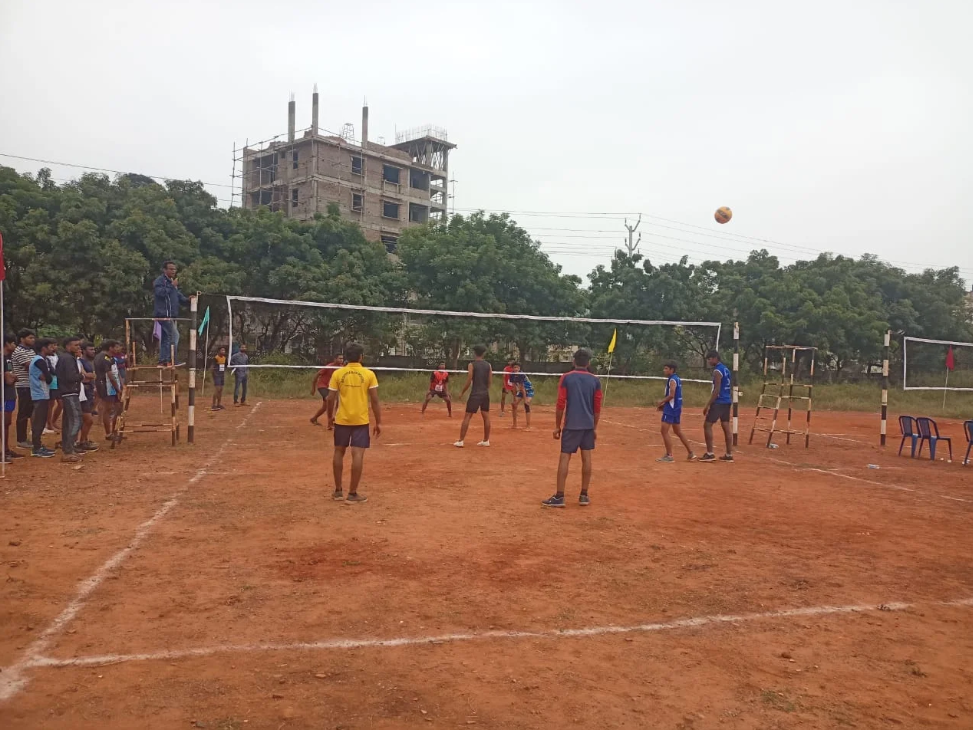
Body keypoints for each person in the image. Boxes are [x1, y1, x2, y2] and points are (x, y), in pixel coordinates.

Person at [543, 348, 602, 508]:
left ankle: (559, 496)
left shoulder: (566, 378)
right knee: (587, 457)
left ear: (573, 361)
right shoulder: (595, 380)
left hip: (572, 424)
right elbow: (597, 407)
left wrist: (557, 426)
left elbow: (560, 403)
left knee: (565, 457)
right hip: (588, 425)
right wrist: (594, 427)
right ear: (588, 363)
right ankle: (584, 495)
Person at [325, 342, 381, 504]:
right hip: (360, 421)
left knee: (338, 452)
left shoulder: (338, 374)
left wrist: (330, 417)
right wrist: (379, 422)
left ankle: (338, 491)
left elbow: (330, 398)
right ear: (361, 357)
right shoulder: (369, 374)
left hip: (342, 419)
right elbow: (375, 401)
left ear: (347, 357)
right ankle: (352, 493)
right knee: (358, 455)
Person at [656, 361, 695, 462]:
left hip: (671, 409)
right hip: (676, 408)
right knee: (678, 431)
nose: (664, 370)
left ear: (672, 370)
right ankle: (691, 453)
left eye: (666, 368)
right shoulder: (676, 378)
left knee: (664, 431)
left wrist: (662, 402)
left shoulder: (672, 380)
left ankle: (669, 455)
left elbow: (672, 395)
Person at [454, 345, 492, 448]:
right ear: (483, 353)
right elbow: (489, 381)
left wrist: (462, 392)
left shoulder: (472, 365)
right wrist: (485, 390)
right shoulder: (488, 365)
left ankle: (461, 440)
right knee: (486, 417)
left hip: (475, 393)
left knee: (467, 416)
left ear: (474, 353)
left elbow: (469, 379)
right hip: (485, 393)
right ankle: (486, 440)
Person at [55, 336, 85, 463]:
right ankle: (68, 450)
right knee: (77, 420)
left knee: (69, 421)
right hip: (69, 393)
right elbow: (70, 377)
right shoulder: (67, 359)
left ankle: (69, 448)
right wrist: (82, 376)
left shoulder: (66, 357)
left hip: (68, 392)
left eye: (79, 345)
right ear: (68, 346)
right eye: (75, 345)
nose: (78, 347)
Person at [153, 261, 189, 365]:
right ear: (165, 270)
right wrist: (172, 286)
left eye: (174, 269)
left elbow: (177, 296)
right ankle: (171, 360)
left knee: (166, 337)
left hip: (170, 315)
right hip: (163, 314)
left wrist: (188, 300)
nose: (173, 271)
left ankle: (163, 360)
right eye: (171, 269)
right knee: (174, 336)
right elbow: (160, 293)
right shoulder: (160, 281)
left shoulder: (172, 282)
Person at [701, 350, 734, 462]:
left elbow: (717, 390)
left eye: (710, 359)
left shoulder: (717, 371)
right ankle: (729, 455)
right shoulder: (726, 369)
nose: (709, 361)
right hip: (727, 401)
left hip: (719, 401)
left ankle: (710, 454)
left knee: (707, 425)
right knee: (726, 426)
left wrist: (708, 404)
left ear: (715, 358)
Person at [28, 338, 56, 458]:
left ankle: (38, 446)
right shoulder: (39, 361)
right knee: (38, 422)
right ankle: (36, 448)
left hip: (42, 393)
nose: (53, 348)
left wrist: (46, 376)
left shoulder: (42, 360)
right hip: (40, 393)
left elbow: (47, 377)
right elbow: (49, 378)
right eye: (50, 346)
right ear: (43, 348)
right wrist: (47, 376)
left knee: (40, 421)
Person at [95, 340, 123, 442]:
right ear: (110, 348)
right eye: (116, 347)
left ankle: (115, 431)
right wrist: (117, 388)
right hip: (106, 386)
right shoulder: (102, 358)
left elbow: (117, 373)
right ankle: (108, 434)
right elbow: (110, 375)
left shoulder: (112, 358)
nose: (119, 349)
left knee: (119, 407)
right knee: (108, 408)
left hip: (114, 386)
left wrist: (121, 385)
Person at [13, 329, 36, 450]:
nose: (33, 340)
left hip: (31, 385)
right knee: (23, 413)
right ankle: (21, 440)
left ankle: (28, 438)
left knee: (30, 411)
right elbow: (30, 366)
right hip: (23, 385)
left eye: (33, 338)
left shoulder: (31, 350)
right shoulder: (19, 351)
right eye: (30, 338)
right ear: (22, 339)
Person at [3, 334, 23, 461]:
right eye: (13, 343)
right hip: (3, 394)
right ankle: (3, 451)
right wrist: (12, 377)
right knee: (3, 422)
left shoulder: (8, 358)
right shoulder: (2, 358)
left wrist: (12, 377)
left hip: (10, 394)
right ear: (7, 343)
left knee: (7, 422)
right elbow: (9, 379)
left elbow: (12, 377)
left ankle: (6, 449)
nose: (15, 346)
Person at [311, 354, 344, 427]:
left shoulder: (342, 368)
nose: (341, 360)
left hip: (332, 388)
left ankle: (314, 418)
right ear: (335, 359)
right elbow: (317, 375)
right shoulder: (329, 366)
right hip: (322, 386)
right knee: (329, 400)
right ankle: (330, 421)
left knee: (326, 406)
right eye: (339, 358)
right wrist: (313, 388)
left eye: (342, 358)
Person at [78, 341, 99, 451]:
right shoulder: (80, 361)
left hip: (89, 391)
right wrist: (88, 376)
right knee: (88, 419)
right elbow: (86, 376)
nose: (93, 351)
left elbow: (91, 376)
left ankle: (84, 439)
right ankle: (82, 441)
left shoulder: (89, 362)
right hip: (83, 392)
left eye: (94, 349)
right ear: (84, 351)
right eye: (90, 349)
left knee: (86, 418)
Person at [509, 362, 534, 431]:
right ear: (512, 368)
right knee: (514, 404)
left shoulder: (521, 375)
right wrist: (514, 398)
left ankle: (528, 426)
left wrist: (525, 399)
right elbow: (513, 387)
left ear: (519, 368)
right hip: (521, 391)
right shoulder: (512, 375)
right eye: (514, 367)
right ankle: (514, 424)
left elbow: (523, 388)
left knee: (526, 404)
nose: (516, 369)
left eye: (517, 367)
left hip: (529, 390)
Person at [46, 341, 61, 434]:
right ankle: (49, 424)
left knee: (61, 403)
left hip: (58, 382)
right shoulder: (46, 357)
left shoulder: (57, 355)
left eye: (56, 345)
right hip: (52, 383)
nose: (54, 347)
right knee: (50, 404)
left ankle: (53, 421)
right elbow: (52, 370)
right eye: (52, 345)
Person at [211, 346, 227, 411]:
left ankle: (219, 404)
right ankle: (213, 404)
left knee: (221, 390)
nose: (223, 351)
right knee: (217, 389)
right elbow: (212, 368)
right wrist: (214, 375)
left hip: (222, 375)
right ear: (219, 351)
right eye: (222, 350)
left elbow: (226, 366)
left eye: (224, 350)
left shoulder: (224, 358)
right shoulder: (216, 358)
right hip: (217, 375)